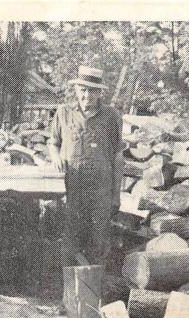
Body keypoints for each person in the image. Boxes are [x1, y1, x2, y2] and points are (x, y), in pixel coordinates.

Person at [47, 65, 123, 267]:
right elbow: (52, 143)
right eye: (83, 89)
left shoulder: (111, 116)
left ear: (100, 93)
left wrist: (116, 195)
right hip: (72, 188)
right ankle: (70, 294)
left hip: (101, 192)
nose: (86, 95)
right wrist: (55, 156)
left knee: (99, 242)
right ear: (76, 90)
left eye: (92, 90)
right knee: (71, 239)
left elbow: (117, 156)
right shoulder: (63, 113)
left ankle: (96, 293)